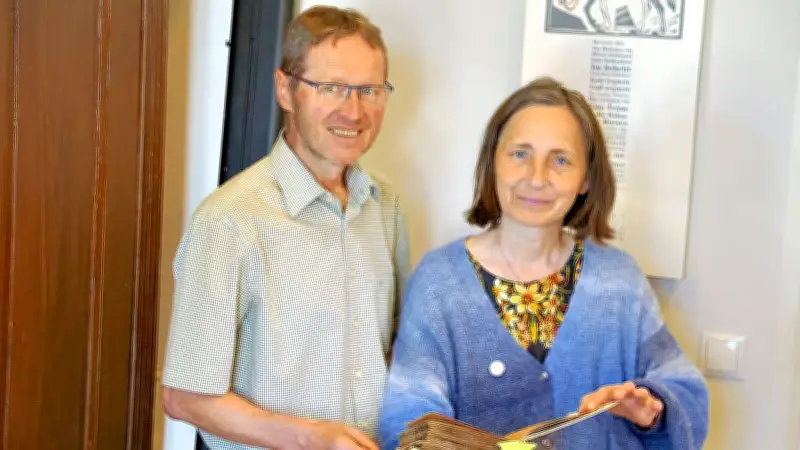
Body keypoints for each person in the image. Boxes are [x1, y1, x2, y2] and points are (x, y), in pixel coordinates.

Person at [378, 77, 709, 450]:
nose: (537, 178)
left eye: (560, 160)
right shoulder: (439, 282)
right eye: (520, 154)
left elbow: (684, 389)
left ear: (586, 178)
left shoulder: (619, 282)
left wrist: (651, 407)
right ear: (493, 162)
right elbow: (409, 411)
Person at [161, 6, 410, 450]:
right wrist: (310, 438)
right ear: (285, 90)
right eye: (331, 88)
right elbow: (184, 396)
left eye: (369, 91)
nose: (354, 112)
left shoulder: (384, 206)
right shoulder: (229, 219)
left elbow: (393, 348)